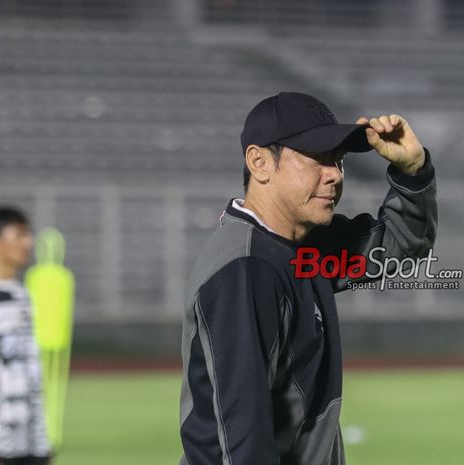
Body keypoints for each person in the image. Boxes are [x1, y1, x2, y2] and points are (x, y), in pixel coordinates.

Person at [178, 91, 438, 465]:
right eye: (317, 158)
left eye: (338, 160)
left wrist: (413, 169)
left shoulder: (298, 247)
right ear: (259, 162)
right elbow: (239, 442)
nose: (334, 174)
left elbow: (402, 246)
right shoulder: (246, 269)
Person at [0, 207, 51, 465]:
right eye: (19, 235)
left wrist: (41, 440)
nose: (28, 242)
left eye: (28, 235)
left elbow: (28, 370)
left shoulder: (23, 296)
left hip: (29, 438)